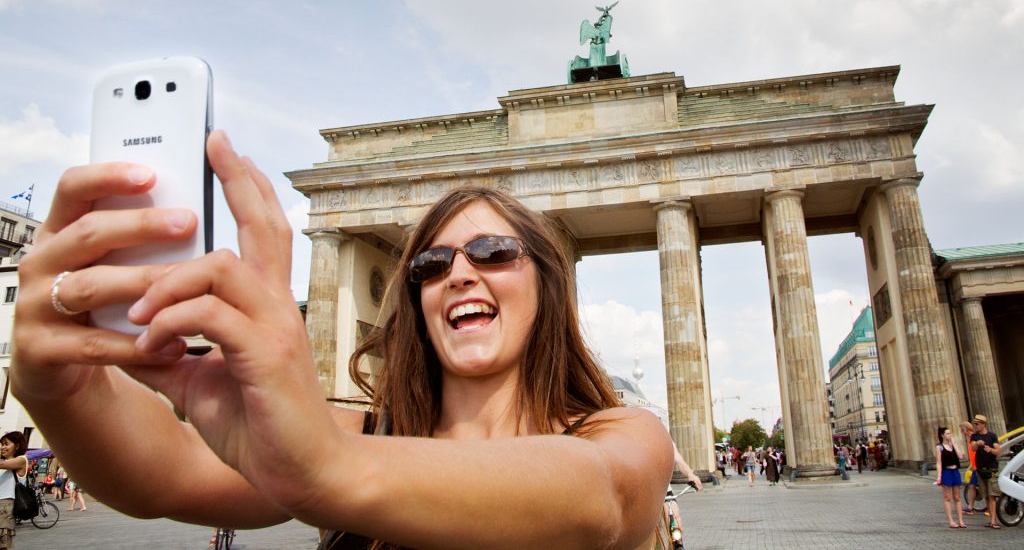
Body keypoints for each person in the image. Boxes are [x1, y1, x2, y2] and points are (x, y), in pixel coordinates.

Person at [10, 131, 674, 550]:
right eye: (430, 265)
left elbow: (602, 498)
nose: (460, 272)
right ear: (416, 300)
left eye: (492, 251)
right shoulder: (359, 433)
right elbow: (164, 471)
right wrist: (59, 385)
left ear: (548, 284)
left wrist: (327, 466)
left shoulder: (621, 433)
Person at [969, 414, 1002, 529]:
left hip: (991, 468)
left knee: (992, 495)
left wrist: (990, 449)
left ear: (983, 424)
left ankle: (994, 521)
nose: (975, 425)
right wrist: (978, 443)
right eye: (974, 423)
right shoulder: (974, 436)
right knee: (986, 495)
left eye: (977, 424)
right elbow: (973, 447)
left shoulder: (992, 436)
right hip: (980, 470)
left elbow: (998, 450)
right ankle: (991, 520)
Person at [0, 431, 29, 549]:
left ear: (17, 446)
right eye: (2, 444)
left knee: (3, 544)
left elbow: (2, 465)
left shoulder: (22, 460)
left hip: (5, 506)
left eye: (6, 444)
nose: (3, 447)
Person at [935, 427, 965, 528]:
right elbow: (939, 462)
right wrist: (939, 476)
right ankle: (951, 521)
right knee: (947, 497)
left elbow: (961, 456)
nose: (950, 435)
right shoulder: (939, 447)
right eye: (947, 433)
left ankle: (961, 520)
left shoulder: (953, 445)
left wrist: (954, 444)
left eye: (950, 433)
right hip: (946, 472)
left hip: (955, 471)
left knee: (957, 497)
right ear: (943, 435)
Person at [959, 420, 979, 515]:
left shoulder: (973, 438)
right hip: (975, 466)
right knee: (973, 486)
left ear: (966, 429)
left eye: (962, 430)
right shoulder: (970, 439)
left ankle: (970, 507)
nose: (961, 432)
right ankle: (971, 506)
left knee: (972, 486)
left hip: (978, 467)